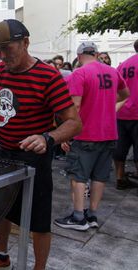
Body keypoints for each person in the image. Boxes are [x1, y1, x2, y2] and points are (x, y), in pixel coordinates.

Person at [0, 19, 82, 270]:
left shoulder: (48, 76)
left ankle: (39, 267)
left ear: (25, 43)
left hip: (35, 159)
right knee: (2, 209)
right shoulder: (0, 70)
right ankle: (1, 256)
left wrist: (48, 138)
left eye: (6, 49)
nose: (1, 55)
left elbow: (74, 123)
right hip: (4, 152)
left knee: (39, 219)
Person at [54, 42, 129, 231]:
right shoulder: (112, 71)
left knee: (78, 175)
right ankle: (92, 214)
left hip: (86, 133)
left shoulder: (79, 73)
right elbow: (124, 94)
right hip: (109, 132)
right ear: (96, 54)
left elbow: (75, 107)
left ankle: (78, 217)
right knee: (99, 176)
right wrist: (108, 108)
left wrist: (65, 134)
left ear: (78, 56)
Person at [113, 39, 138, 189]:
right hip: (136, 112)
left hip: (121, 111)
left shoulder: (123, 65)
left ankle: (120, 177)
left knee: (120, 148)